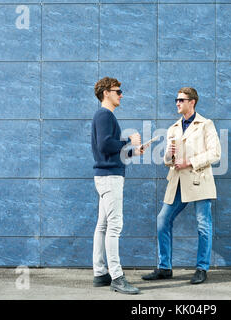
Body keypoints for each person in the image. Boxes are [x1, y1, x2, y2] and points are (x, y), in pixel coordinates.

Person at [142, 87, 221, 284]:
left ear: (192, 102)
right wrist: (170, 154)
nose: (177, 103)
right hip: (177, 181)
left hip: (198, 180)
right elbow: (169, 161)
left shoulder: (205, 125)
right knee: (162, 220)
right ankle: (164, 267)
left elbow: (215, 153)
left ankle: (202, 268)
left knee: (203, 224)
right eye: (176, 100)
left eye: (181, 100)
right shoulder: (173, 128)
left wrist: (190, 162)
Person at [91, 77, 144, 295]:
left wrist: (132, 152)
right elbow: (105, 144)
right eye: (118, 91)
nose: (121, 94)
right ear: (106, 93)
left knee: (103, 226)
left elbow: (107, 150)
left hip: (105, 175)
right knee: (114, 226)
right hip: (110, 178)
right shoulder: (105, 114)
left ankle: (100, 272)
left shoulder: (103, 115)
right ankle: (117, 277)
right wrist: (128, 141)